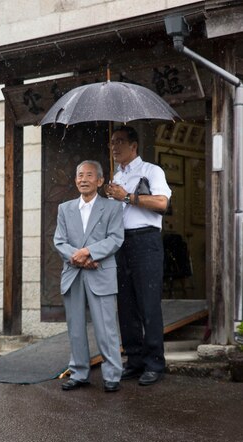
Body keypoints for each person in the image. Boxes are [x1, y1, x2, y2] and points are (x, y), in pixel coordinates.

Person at [105, 126, 171, 386]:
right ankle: (134, 359)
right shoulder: (116, 176)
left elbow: (162, 204)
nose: (114, 147)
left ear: (134, 145)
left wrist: (128, 197)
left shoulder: (151, 171)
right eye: (112, 142)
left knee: (148, 303)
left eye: (120, 142)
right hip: (121, 243)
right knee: (126, 304)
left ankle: (155, 362)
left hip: (146, 240)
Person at [54, 160, 124, 392]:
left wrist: (89, 252)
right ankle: (79, 372)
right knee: (75, 327)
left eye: (89, 175)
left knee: (106, 328)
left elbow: (115, 238)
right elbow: (59, 241)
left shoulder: (113, 207)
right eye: (79, 175)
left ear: (100, 180)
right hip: (74, 273)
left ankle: (112, 375)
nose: (83, 179)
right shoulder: (65, 208)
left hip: (101, 272)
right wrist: (79, 257)